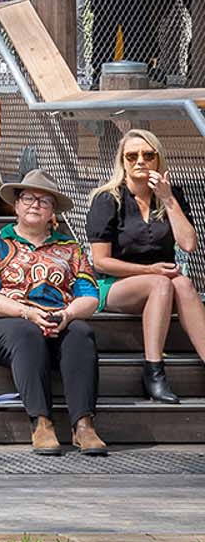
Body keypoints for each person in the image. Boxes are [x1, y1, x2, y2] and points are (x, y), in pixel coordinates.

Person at [0, 171, 105, 455]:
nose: (35, 205)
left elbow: (91, 296)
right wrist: (26, 312)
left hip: (58, 317)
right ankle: (41, 422)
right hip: (6, 321)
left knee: (81, 333)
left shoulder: (69, 247)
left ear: (52, 212)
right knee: (27, 333)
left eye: (44, 201)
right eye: (28, 198)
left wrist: (68, 315)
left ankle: (83, 424)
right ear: (16, 206)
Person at [86, 129, 204, 405]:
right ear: (122, 161)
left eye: (148, 155)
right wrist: (151, 271)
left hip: (163, 283)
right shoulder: (107, 198)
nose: (140, 161)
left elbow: (188, 245)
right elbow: (101, 261)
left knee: (183, 283)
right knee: (162, 282)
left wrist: (167, 199)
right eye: (132, 156)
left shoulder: (172, 195)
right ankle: (154, 370)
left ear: (158, 160)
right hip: (113, 284)